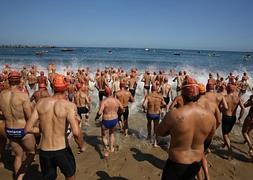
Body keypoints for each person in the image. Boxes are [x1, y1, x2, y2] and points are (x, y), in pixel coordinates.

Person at [25, 74, 85, 180]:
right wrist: (81, 145)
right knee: (70, 176)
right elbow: (76, 132)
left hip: (44, 150)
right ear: (66, 88)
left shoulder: (40, 103)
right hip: (62, 150)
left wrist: (43, 130)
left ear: (52, 87)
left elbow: (28, 129)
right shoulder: (69, 106)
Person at [156, 77, 216, 180]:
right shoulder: (210, 116)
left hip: (176, 163)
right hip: (195, 164)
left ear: (182, 95)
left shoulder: (174, 114)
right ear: (198, 95)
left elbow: (159, 132)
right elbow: (208, 139)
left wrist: (173, 132)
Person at [0, 71, 35, 180]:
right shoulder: (23, 96)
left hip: (9, 130)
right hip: (23, 130)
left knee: (18, 156)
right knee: (31, 154)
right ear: (20, 81)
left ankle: (18, 177)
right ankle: (20, 176)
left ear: (8, 81)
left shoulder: (2, 94)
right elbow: (29, 117)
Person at [95, 87, 124, 157]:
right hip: (114, 119)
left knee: (104, 135)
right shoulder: (116, 100)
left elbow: (99, 112)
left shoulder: (104, 101)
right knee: (112, 134)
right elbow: (122, 108)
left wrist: (96, 117)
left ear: (105, 93)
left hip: (106, 120)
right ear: (111, 93)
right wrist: (118, 112)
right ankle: (111, 148)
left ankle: (106, 148)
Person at [221, 84, 244, 159]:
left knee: (225, 134)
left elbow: (224, 107)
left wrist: (221, 111)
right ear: (234, 90)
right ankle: (225, 143)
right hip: (233, 118)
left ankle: (230, 152)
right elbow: (243, 108)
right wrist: (240, 118)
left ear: (227, 89)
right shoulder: (238, 98)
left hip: (226, 117)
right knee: (227, 132)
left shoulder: (224, 97)